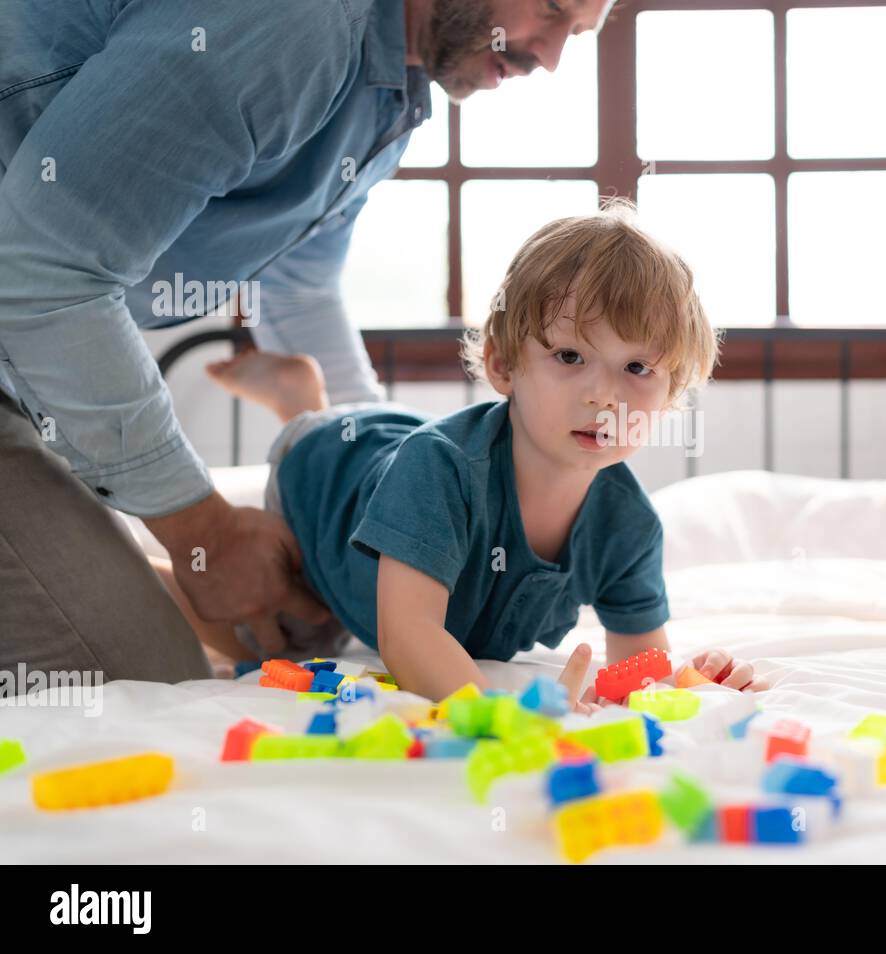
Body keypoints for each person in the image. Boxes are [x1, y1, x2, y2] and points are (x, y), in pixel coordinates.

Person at [0, 0, 613, 688]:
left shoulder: (389, 96)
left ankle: (287, 426)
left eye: (580, 33)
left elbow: (299, 290)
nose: (553, 55)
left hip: (24, 360)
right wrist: (203, 530)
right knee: (144, 681)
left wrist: (399, 470)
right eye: (553, 8)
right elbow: (39, 269)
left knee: (306, 620)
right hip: (20, 322)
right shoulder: (301, 21)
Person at [154, 202, 772, 709]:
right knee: (292, 635)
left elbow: (639, 673)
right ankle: (302, 409)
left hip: (402, 448)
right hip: (325, 477)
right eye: (569, 357)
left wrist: (691, 685)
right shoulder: (441, 471)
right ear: (503, 366)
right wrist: (493, 714)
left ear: (671, 395)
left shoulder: (628, 525)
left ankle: (306, 395)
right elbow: (409, 634)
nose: (603, 395)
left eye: (637, 368)